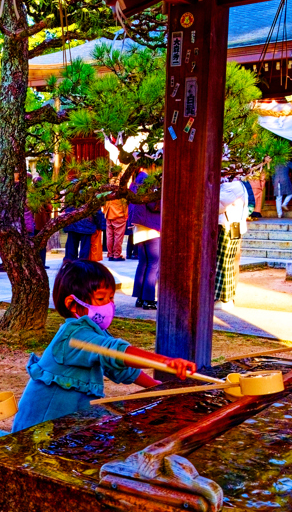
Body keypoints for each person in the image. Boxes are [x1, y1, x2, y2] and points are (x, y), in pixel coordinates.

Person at [12, 261, 195, 431]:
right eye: (101, 299)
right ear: (72, 304)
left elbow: (123, 370)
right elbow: (116, 353)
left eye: (111, 298)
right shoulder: (74, 336)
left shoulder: (95, 333)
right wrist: (165, 362)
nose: (109, 305)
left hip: (67, 423)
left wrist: (157, 387)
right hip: (38, 429)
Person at [215, 177, 249, 307]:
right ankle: (226, 297)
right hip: (235, 227)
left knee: (223, 263)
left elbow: (216, 205)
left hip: (227, 227)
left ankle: (223, 298)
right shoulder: (239, 185)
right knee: (227, 263)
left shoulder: (231, 186)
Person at [129, 170, 161, 310]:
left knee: (143, 262)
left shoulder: (135, 182)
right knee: (154, 263)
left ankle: (140, 298)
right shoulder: (149, 180)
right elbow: (153, 204)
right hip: (151, 225)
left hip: (139, 225)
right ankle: (148, 299)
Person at [104, 191, 129, 261]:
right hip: (119, 215)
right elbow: (124, 204)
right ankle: (116, 254)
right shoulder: (120, 190)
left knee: (109, 236)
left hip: (108, 214)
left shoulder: (108, 190)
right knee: (118, 236)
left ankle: (110, 254)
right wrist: (126, 215)